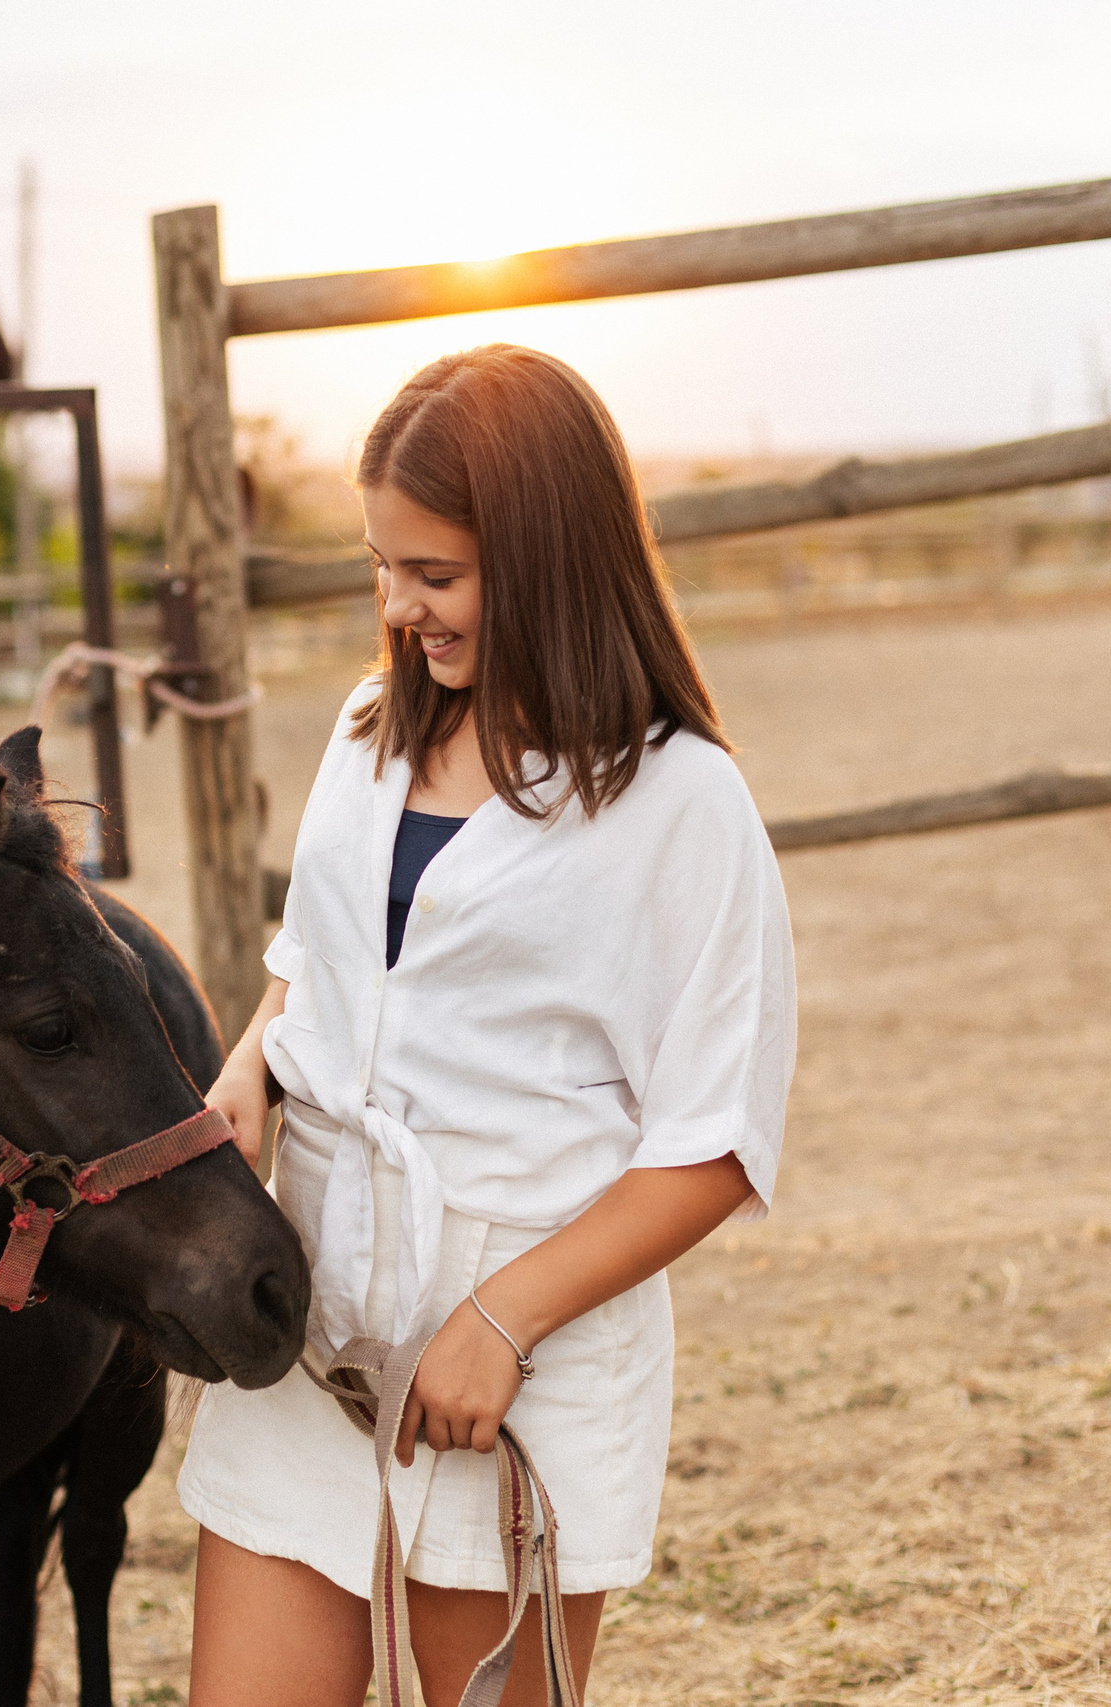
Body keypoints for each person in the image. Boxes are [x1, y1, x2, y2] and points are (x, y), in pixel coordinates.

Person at [180, 344, 795, 1707]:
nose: (397, 610)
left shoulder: (684, 808)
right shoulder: (364, 733)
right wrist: (249, 1078)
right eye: (381, 569)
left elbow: (714, 1142)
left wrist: (502, 1322)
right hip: (316, 1318)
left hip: (516, 1352)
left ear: (548, 558)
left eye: (434, 576)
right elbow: (317, 962)